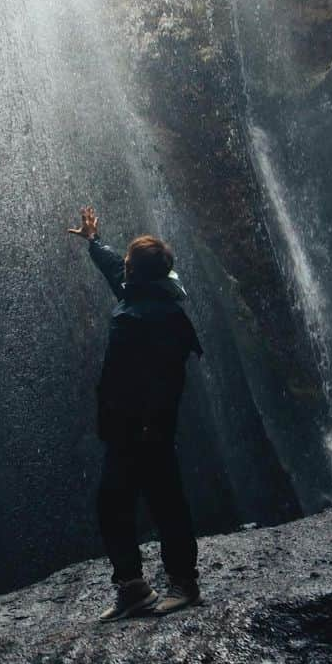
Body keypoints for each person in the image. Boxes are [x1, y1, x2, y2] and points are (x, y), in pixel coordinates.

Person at [68, 205, 203, 621]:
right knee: (113, 502)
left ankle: (183, 584)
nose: (122, 267)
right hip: (123, 427)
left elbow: (166, 381)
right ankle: (132, 587)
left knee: (166, 502)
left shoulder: (163, 316)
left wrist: (150, 424)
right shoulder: (142, 293)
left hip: (146, 428)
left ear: (140, 273)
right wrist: (94, 241)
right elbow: (114, 268)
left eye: (129, 263)